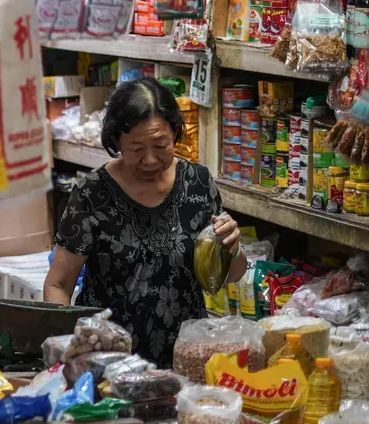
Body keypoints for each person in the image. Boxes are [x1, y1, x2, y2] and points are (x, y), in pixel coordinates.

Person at [43, 78, 247, 368]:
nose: (150, 159)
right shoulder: (92, 195)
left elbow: (230, 275)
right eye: (137, 148)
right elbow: (58, 284)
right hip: (107, 361)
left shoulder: (198, 183)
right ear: (116, 140)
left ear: (176, 133)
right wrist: (63, 355)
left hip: (184, 358)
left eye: (161, 145)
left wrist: (233, 248)